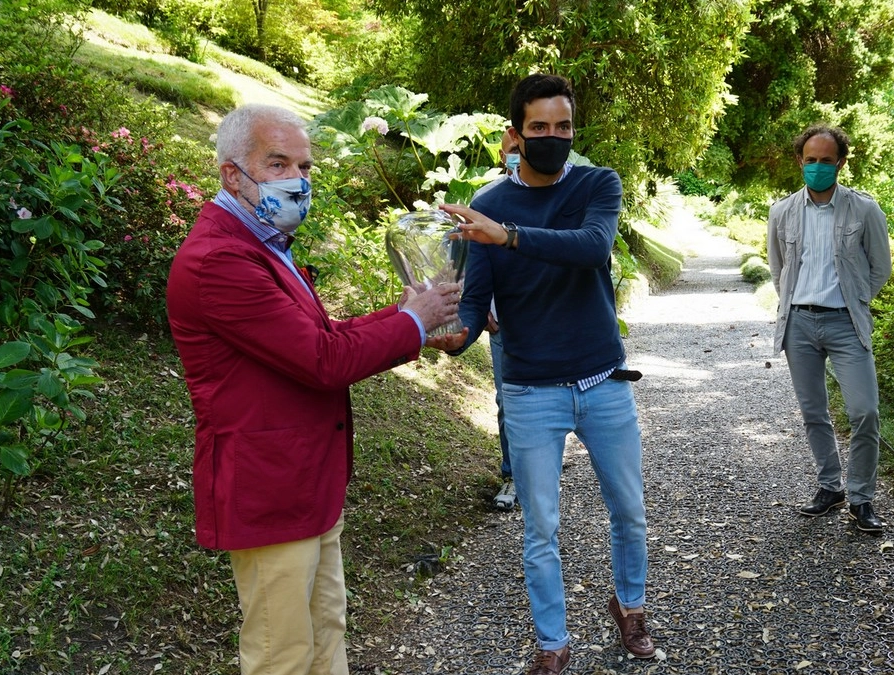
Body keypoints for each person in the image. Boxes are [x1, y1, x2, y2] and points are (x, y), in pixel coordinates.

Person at [166, 103, 464, 675]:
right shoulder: (220, 261)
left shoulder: (263, 244)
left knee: (326, 633)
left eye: (304, 167)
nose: (298, 180)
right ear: (233, 173)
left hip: (306, 485)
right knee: (282, 653)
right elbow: (323, 360)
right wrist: (413, 323)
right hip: (269, 490)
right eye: (278, 164)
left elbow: (320, 335)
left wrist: (409, 321)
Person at [440, 73, 653, 675]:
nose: (552, 137)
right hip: (531, 388)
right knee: (541, 528)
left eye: (563, 127)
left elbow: (591, 246)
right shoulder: (487, 206)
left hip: (603, 382)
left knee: (629, 510)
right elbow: (476, 300)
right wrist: (456, 335)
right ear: (516, 134)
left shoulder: (597, 185)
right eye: (539, 128)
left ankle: (630, 607)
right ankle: (552, 642)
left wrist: (507, 237)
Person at [767, 124, 893, 532]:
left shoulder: (864, 210)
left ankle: (862, 497)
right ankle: (829, 486)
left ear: (840, 162)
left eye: (826, 160)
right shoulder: (781, 211)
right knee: (813, 413)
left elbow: (880, 268)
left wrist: (853, 298)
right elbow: (778, 270)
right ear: (798, 161)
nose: (818, 167)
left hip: (846, 324)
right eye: (810, 160)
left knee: (865, 411)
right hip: (799, 324)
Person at [474, 129, 520, 511]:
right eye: (512, 149)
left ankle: (541, 469)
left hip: (549, 322)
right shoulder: (486, 199)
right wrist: (483, 307)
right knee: (508, 402)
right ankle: (512, 476)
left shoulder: (559, 194)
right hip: (504, 325)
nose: (518, 155)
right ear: (503, 151)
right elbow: (474, 261)